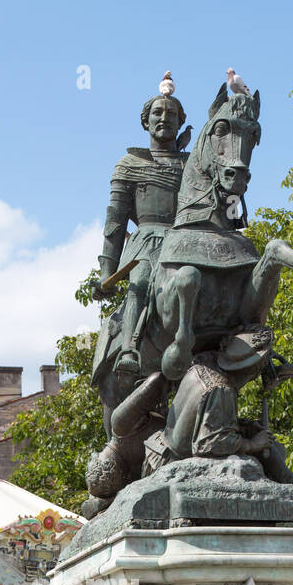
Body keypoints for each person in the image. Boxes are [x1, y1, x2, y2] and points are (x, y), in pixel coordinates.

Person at [92, 78, 190, 384]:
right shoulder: (128, 164)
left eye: (171, 114)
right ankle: (129, 350)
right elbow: (115, 221)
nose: (164, 119)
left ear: (180, 122)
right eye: (158, 114)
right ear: (146, 122)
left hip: (186, 239)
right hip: (146, 243)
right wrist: (106, 271)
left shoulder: (192, 165)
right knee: (142, 280)